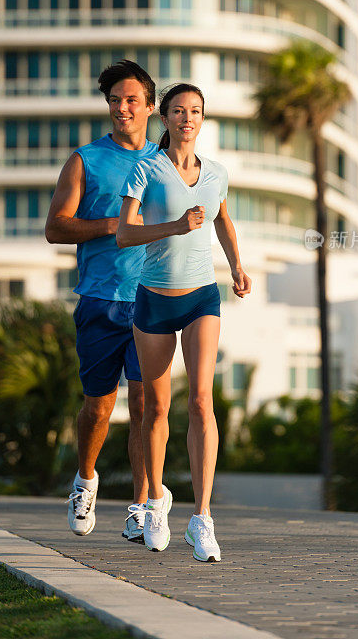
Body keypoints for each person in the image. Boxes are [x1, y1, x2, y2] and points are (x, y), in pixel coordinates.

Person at [117, 83, 251, 562]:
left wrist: (235, 264)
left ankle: (203, 519)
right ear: (166, 118)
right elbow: (123, 234)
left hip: (201, 297)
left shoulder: (216, 174)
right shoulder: (146, 169)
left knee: (200, 401)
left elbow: (221, 220)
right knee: (156, 408)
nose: (187, 119)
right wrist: (175, 226)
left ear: (201, 118)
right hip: (153, 299)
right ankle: (156, 503)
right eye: (178, 111)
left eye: (195, 111)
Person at [45, 59, 157, 542]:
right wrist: (113, 225)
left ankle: (138, 505)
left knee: (146, 403)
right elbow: (55, 227)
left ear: (151, 106)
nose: (122, 108)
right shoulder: (85, 160)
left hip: (153, 298)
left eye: (132, 100)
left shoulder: (168, 161)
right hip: (100, 298)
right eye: (115, 100)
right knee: (99, 407)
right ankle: (85, 481)